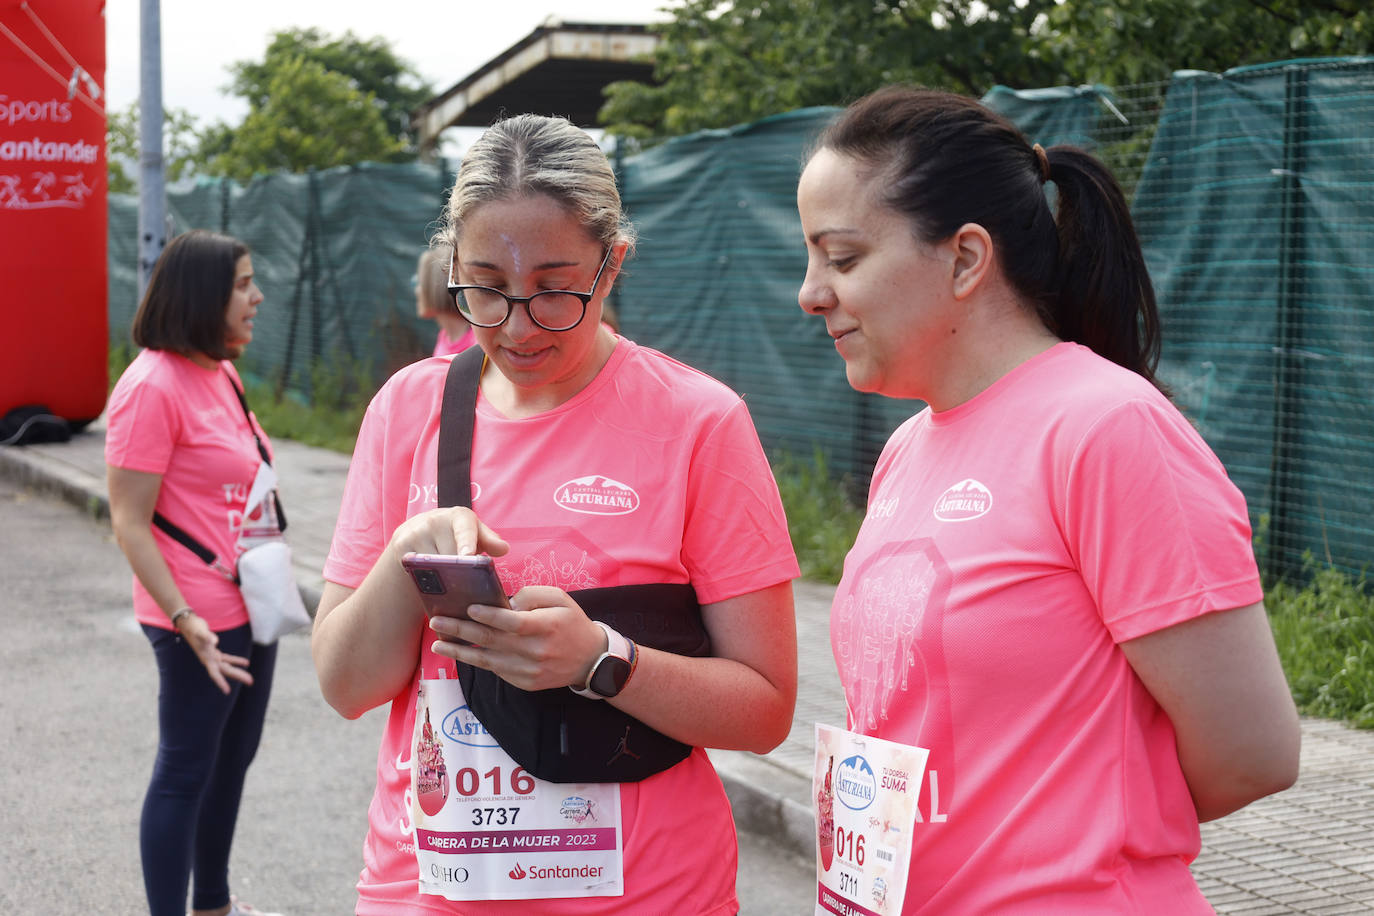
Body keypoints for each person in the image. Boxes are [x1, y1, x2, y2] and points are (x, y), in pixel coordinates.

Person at [795, 85, 1301, 912]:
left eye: (842, 258)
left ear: (964, 258)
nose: (810, 293)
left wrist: (1070, 831)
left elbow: (1254, 752)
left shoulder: (1109, 429)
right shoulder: (907, 448)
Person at [313, 113, 800, 914]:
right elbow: (345, 685)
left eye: (554, 290)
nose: (515, 325)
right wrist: (407, 557)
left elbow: (765, 709)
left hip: (645, 891)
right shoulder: (409, 410)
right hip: (428, 887)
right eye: (486, 288)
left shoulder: (697, 422)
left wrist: (601, 661)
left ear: (613, 265)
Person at [106, 230, 286, 916]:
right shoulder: (149, 387)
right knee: (185, 772)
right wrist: (185, 620)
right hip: (194, 616)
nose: (257, 297)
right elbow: (129, 520)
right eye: (243, 285)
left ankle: (213, 904)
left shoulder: (222, 372)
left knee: (231, 762)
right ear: (203, 295)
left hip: (252, 602)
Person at [415, 242, 476, 357]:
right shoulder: (444, 336)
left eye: (418, 282)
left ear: (436, 287)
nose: (416, 290)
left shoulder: (477, 343)